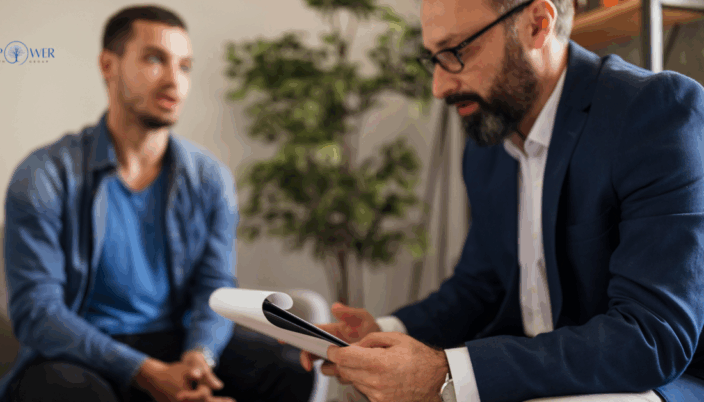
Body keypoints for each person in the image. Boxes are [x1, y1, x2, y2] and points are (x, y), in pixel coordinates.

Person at [299, 0, 704, 401]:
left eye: (457, 52)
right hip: (537, 380)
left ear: (537, 24)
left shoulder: (654, 112)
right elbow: (479, 287)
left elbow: (651, 337)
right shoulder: (489, 142)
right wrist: (383, 332)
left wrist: (445, 373)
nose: (439, 86)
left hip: (648, 385)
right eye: (434, 59)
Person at [0, 5, 314, 402]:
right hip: (82, 353)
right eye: (154, 59)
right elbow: (38, 314)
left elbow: (215, 288)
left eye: (184, 66)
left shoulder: (210, 178)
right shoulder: (44, 174)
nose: (174, 81)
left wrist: (199, 359)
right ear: (108, 65)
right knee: (66, 391)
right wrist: (145, 373)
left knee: (286, 368)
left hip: (177, 341)